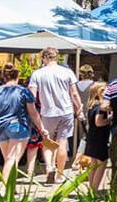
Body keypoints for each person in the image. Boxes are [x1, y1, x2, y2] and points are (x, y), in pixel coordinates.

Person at [0, 63, 48, 185]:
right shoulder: (23, 92)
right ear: (17, 76)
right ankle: (5, 189)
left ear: (4, 77)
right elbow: (33, 113)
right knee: (12, 158)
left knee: (8, 158)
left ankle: (11, 187)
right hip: (18, 126)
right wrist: (42, 128)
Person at [27, 47, 82, 184]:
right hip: (66, 111)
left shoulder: (37, 74)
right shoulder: (67, 72)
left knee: (47, 142)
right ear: (57, 57)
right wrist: (79, 107)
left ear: (44, 58)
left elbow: (31, 96)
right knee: (62, 142)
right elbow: (74, 93)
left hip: (47, 112)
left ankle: (50, 167)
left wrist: (32, 111)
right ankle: (59, 174)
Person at [81, 81, 113, 192]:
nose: (106, 93)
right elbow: (98, 122)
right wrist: (110, 119)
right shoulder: (101, 107)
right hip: (100, 138)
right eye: (102, 90)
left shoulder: (91, 106)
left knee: (93, 164)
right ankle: (94, 189)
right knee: (101, 163)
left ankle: (92, 189)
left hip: (91, 137)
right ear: (96, 93)